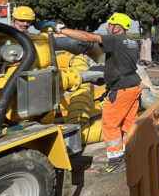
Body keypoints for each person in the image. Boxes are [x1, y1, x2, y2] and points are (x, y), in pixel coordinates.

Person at [36, 13, 141, 174]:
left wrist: (60, 29)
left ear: (117, 28)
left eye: (110, 25)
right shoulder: (132, 41)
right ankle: (131, 153)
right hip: (134, 85)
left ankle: (116, 160)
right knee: (129, 123)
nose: (107, 27)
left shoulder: (114, 40)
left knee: (109, 124)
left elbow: (88, 37)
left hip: (121, 88)